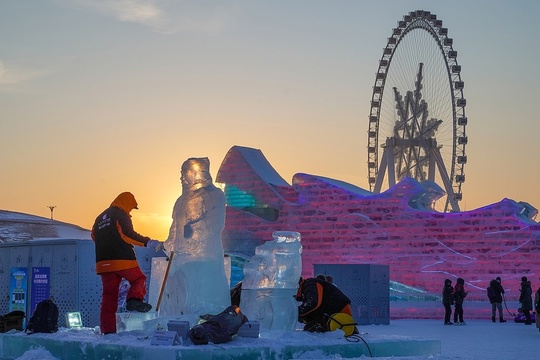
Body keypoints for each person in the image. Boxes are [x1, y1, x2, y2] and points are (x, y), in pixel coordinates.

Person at [91, 191, 163, 334]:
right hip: (122, 259)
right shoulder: (120, 215)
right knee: (138, 278)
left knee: (109, 297)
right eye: (131, 207)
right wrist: (148, 242)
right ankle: (133, 300)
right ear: (126, 202)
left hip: (103, 263)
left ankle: (108, 331)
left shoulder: (99, 218)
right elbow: (127, 234)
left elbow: (94, 236)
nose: (130, 210)